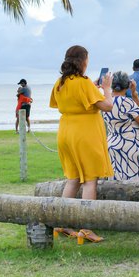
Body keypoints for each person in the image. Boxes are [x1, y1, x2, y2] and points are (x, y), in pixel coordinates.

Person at [49, 45, 114, 243]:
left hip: (66, 132)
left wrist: (93, 89)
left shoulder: (60, 83)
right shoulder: (83, 82)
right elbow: (108, 106)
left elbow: (67, 102)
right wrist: (107, 88)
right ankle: (86, 228)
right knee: (90, 180)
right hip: (84, 134)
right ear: (83, 61)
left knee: (73, 179)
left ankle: (61, 222)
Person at [104, 71, 139, 180]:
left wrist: (134, 94)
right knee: (134, 181)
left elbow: (135, 110)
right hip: (129, 146)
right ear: (127, 85)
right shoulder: (126, 102)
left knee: (115, 181)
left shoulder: (106, 102)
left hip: (112, 144)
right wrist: (134, 92)